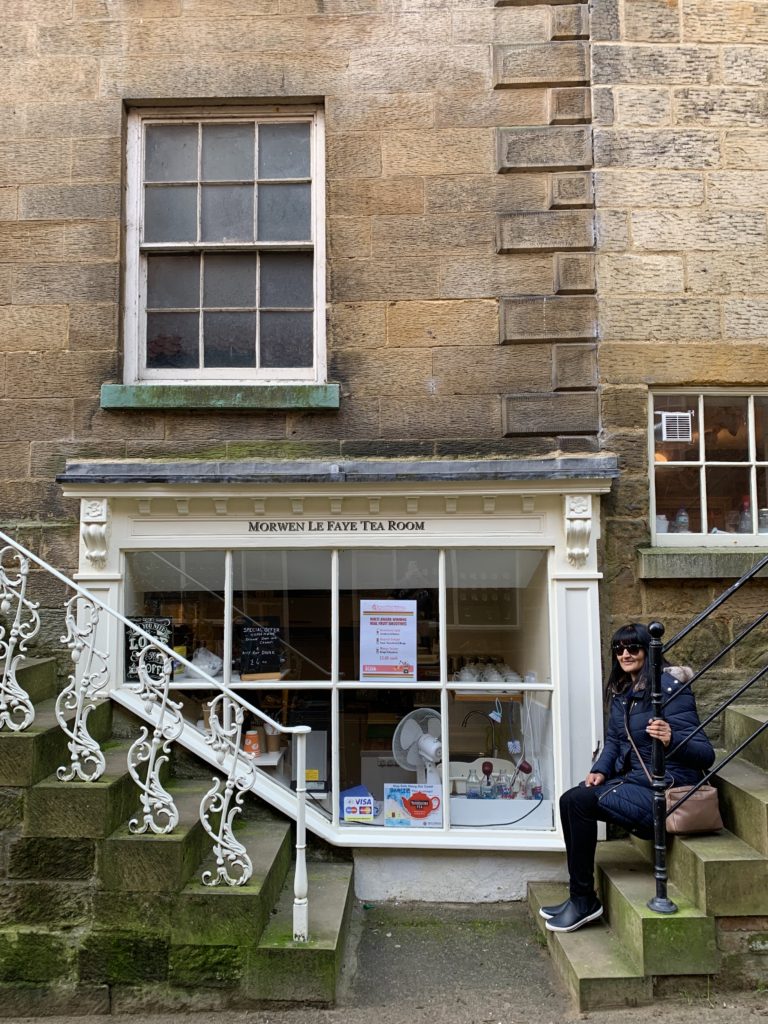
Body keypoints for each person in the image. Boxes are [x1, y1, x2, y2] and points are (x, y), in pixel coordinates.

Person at [540, 622, 715, 934]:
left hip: (668, 792)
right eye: (619, 649)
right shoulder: (624, 693)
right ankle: (580, 897)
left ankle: (583, 901)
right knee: (571, 798)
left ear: (648, 650)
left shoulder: (670, 691)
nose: (625, 654)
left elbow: (705, 754)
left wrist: (671, 737)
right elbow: (616, 742)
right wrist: (600, 771)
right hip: (636, 784)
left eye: (633, 647)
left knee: (578, 803)